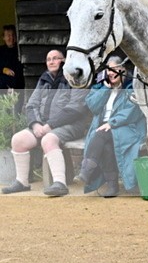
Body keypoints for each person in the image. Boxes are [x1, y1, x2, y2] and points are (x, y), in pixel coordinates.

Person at [2, 49, 91, 196]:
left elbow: (75, 108)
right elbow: (31, 105)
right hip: (43, 125)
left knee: (48, 139)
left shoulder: (75, 79)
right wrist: (36, 124)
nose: (51, 61)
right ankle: (22, 182)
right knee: (18, 140)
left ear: (64, 61)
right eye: (49, 59)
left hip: (71, 125)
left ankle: (60, 183)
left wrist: (50, 125)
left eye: (56, 58)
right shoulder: (44, 79)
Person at [76, 57, 146, 198]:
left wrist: (111, 123)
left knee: (102, 134)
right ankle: (112, 186)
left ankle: (86, 171)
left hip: (127, 128)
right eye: (109, 69)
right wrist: (106, 89)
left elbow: (132, 112)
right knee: (106, 144)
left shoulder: (131, 87)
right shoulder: (101, 86)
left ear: (123, 71)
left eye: (115, 69)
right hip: (104, 129)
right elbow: (93, 107)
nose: (111, 73)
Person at [0, 25, 25, 113]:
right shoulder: (0, 50)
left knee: (18, 110)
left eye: (13, 35)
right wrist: (3, 70)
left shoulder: (20, 50)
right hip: (3, 85)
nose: (11, 38)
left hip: (19, 84)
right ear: (3, 37)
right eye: (8, 35)